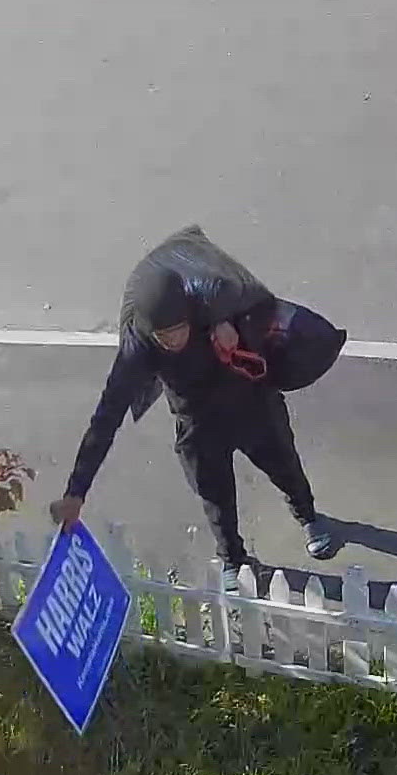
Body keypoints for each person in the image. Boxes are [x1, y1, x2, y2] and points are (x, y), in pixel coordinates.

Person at [50, 226, 340, 591]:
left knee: (284, 462)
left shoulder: (212, 297)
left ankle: (308, 515)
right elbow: (106, 417)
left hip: (249, 398)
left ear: (190, 311)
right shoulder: (138, 347)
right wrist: (77, 491)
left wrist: (226, 321)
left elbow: (255, 301)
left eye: (179, 329)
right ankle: (234, 558)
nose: (174, 340)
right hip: (198, 420)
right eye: (164, 336)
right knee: (214, 494)